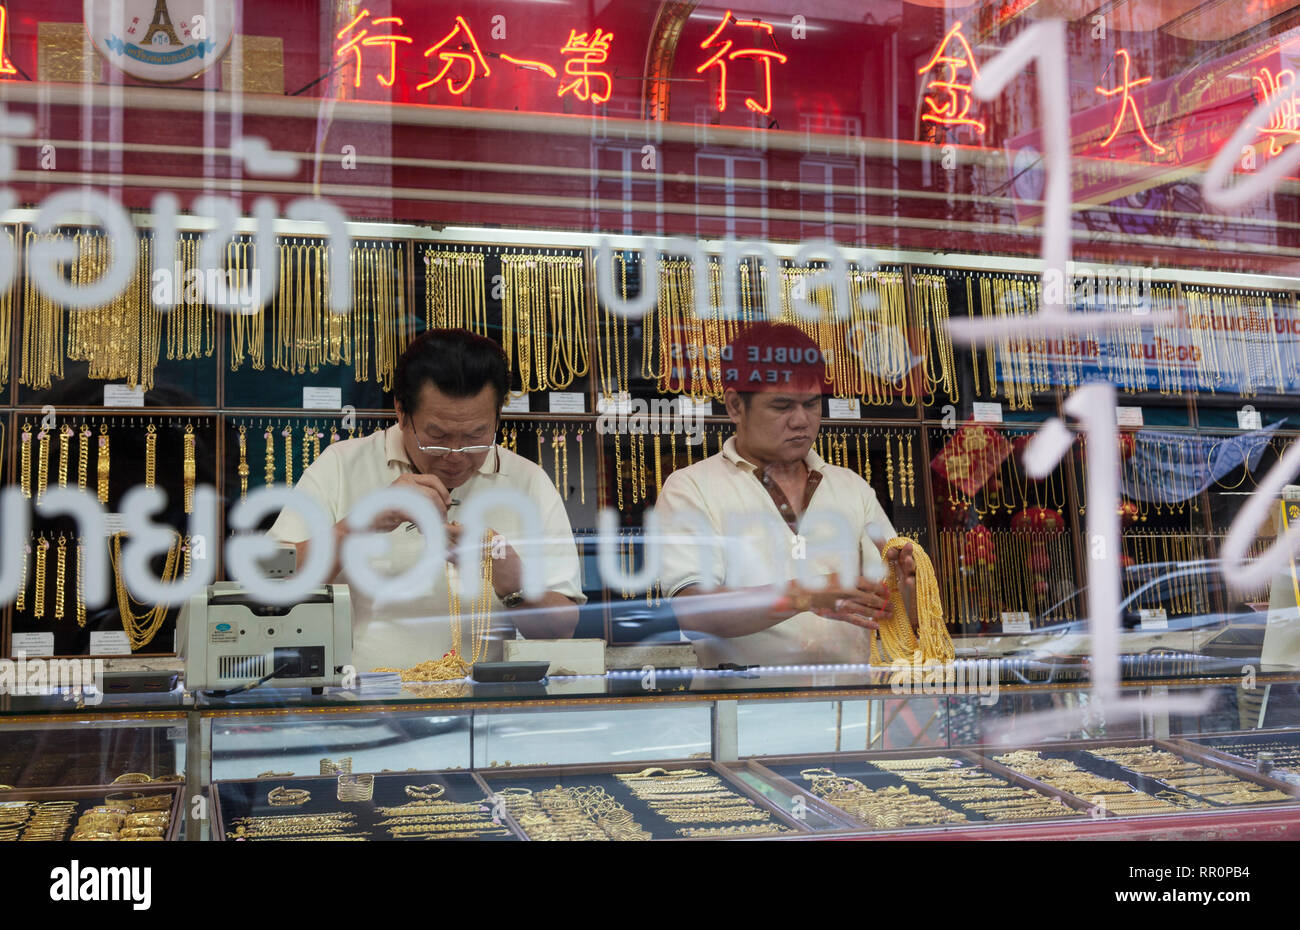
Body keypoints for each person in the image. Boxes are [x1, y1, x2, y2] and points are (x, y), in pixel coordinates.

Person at [269, 328, 584, 671]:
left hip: (485, 710)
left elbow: (562, 629)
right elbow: (272, 582)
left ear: (497, 418)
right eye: (437, 436)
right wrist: (358, 526)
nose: (455, 455)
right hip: (361, 708)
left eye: (476, 436)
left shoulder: (527, 483)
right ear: (401, 412)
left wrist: (515, 582)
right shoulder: (343, 465)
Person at [654, 322, 920, 667]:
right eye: (782, 407)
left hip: (852, 706)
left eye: (811, 404)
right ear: (735, 406)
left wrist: (909, 588)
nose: (801, 421)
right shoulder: (691, 487)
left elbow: (891, 605)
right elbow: (694, 611)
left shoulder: (850, 486)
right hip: (743, 709)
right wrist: (805, 594)